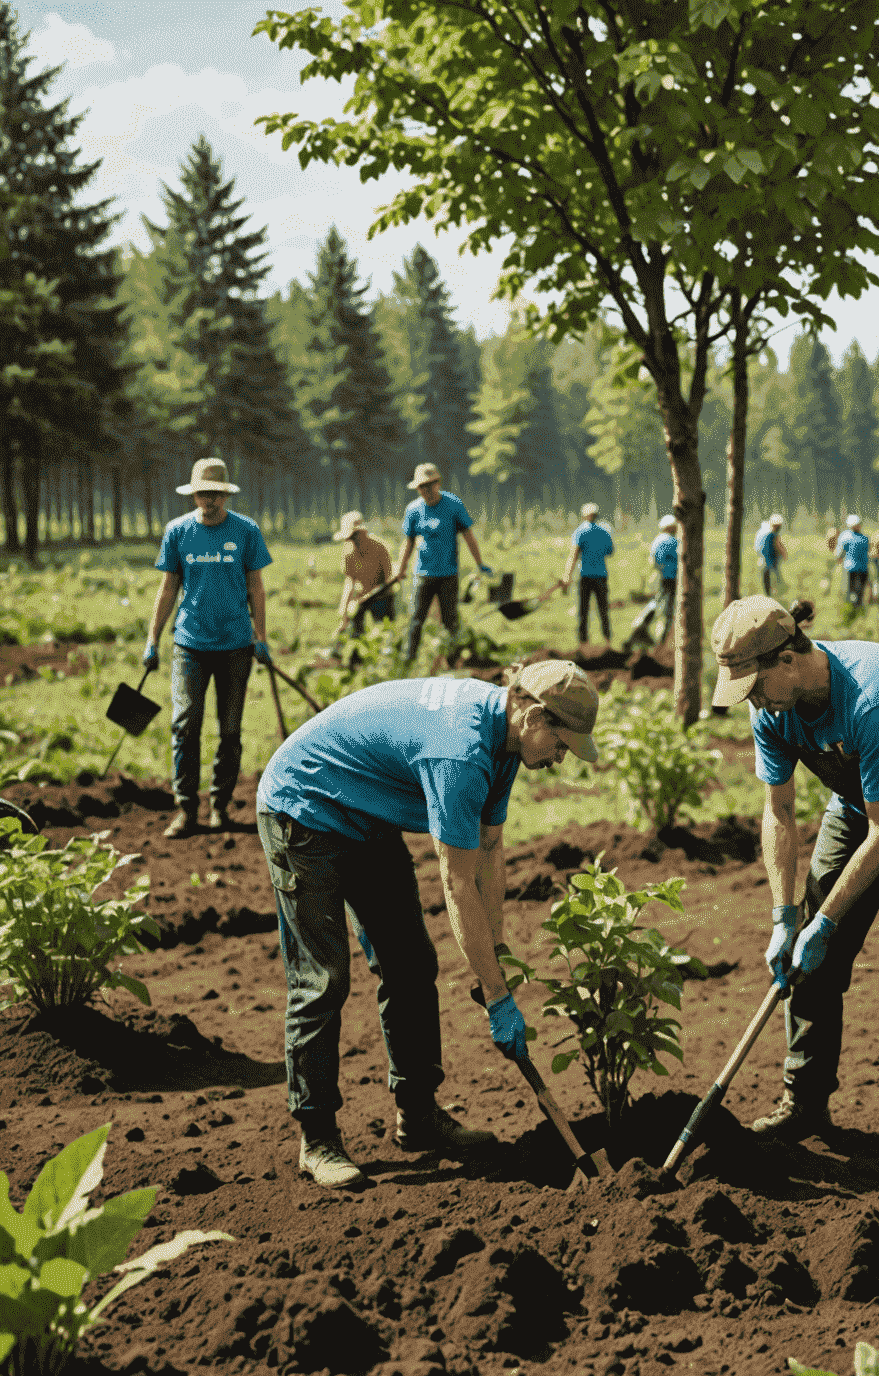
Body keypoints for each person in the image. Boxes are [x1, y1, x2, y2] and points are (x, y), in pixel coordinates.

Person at [256, 659, 602, 1188]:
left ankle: (417, 1116)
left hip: (365, 816)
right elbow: (458, 880)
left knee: (412, 963)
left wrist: (499, 956)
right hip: (303, 806)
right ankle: (318, 1137)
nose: (560, 759)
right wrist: (497, 995)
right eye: (561, 745)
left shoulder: (504, 744)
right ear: (534, 716)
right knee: (323, 979)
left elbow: (489, 850)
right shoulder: (460, 753)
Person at [712, 595, 879, 1181]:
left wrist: (825, 921)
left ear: (788, 659)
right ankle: (804, 1101)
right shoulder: (772, 711)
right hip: (861, 803)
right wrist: (788, 917)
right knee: (809, 959)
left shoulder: (872, 697)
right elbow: (778, 812)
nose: (754, 703)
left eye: (756, 686)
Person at [143, 457, 272, 839]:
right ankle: (186, 810)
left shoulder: (246, 531)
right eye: (202, 493)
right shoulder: (178, 532)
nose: (209, 500)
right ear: (194, 494)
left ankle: (220, 806)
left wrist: (260, 637)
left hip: (235, 645)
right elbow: (168, 588)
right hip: (190, 645)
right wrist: (153, 638)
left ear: (225, 494)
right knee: (185, 727)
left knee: (230, 730)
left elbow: (256, 588)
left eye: (215, 494)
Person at [395, 463, 491, 665]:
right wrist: (400, 566)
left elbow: (468, 535)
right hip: (423, 573)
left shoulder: (453, 505)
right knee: (416, 618)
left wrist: (479, 562)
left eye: (430, 485)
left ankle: (452, 659)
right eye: (422, 487)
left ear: (438, 483)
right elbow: (408, 541)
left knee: (450, 620)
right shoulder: (413, 510)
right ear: (418, 489)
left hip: (448, 573)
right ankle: (408, 659)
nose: (427, 491)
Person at [333, 511, 396, 638]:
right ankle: (355, 648)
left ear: (363, 533)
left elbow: (389, 579)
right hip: (361, 596)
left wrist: (371, 595)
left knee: (383, 631)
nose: (353, 541)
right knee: (354, 626)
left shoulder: (379, 548)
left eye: (355, 536)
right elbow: (350, 582)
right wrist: (344, 614)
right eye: (350, 538)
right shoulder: (348, 553)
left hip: (382, 594)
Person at [561, 502, 616, 645]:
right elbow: (610, 551)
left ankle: (583, 643)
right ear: (596, 516)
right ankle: (607, 640)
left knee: (583, 610)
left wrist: (567, 576)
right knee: (603, 609)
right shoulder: (604, 532)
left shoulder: (580, 532)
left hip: (585, 575)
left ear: (583, 515)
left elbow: (573, 555)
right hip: (601, 575)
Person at [627, 513, 679, 651]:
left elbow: (654, 561)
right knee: (667, 608)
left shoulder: (658, 540)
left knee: (659, 601)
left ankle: (641, 626)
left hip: (661, 577)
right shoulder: (673, 541)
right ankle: (661, 640)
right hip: (672, 578)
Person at [836, 514, 871, 604]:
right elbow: (869, 551)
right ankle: (857, 607)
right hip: (862, 568)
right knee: (860, 590)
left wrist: (839, 559)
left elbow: (840, 553)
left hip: (851, 567)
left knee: (851, 590)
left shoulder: (845, 536)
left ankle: (852, 607)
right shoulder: (864, 538)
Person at [756, 513, 787, 596]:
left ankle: (769, 594)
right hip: (769, 560)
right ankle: (776, 593)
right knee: (772, 577)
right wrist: (783, 553)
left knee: (767, 578)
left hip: (763, 560)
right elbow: (778, 545)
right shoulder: (772, 534)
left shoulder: (763, 532)